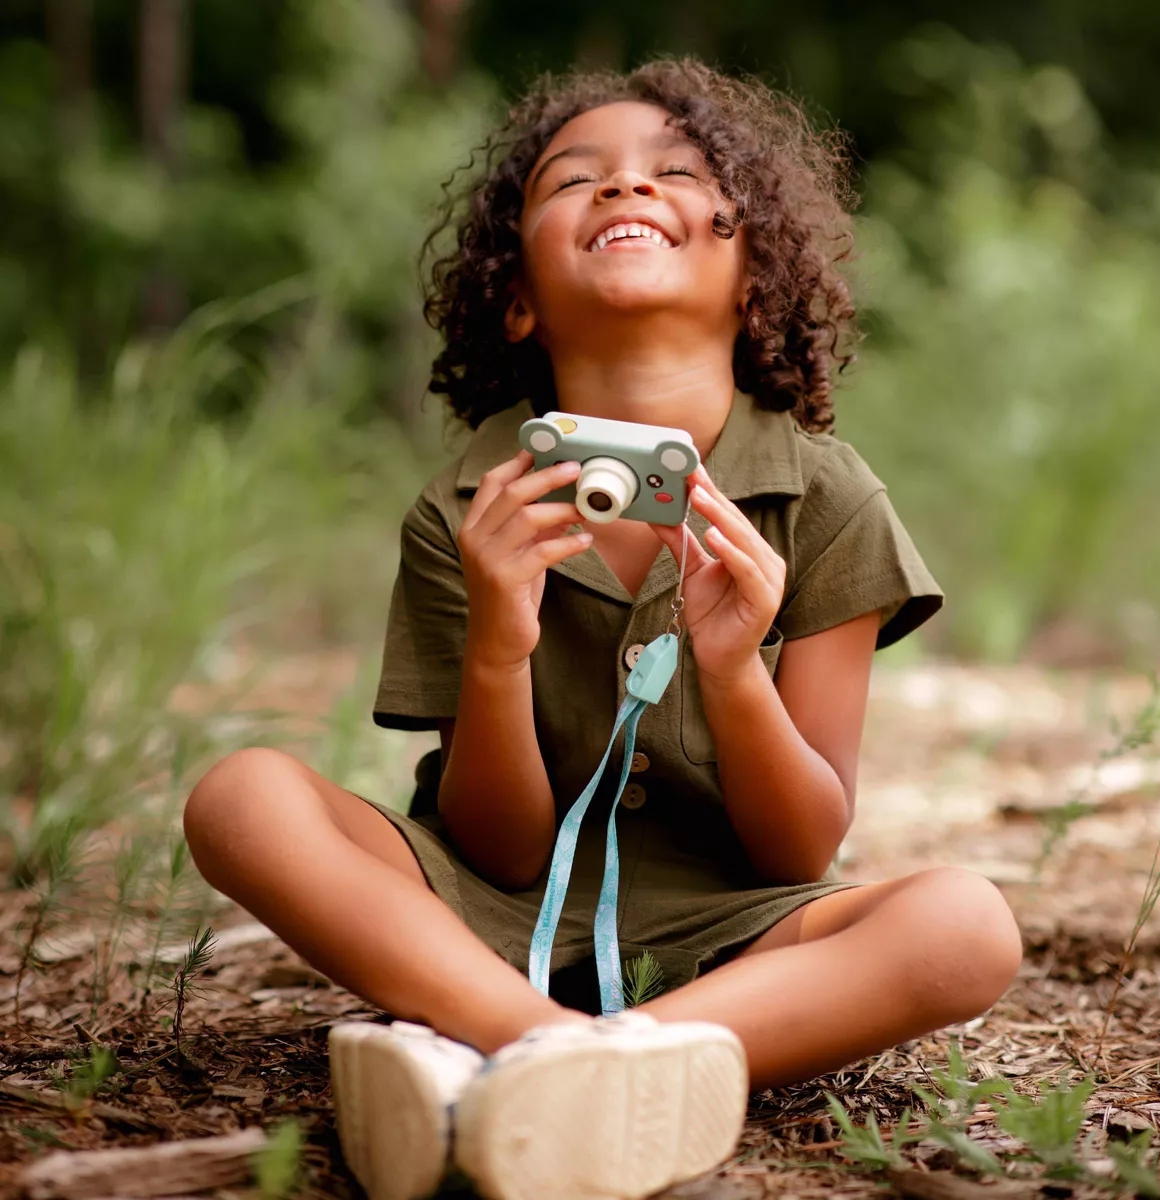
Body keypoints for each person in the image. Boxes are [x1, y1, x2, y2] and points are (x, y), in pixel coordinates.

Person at [183, 58, 1024, 1200]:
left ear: (754, 275)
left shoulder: (829, 501)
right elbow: (501, 849)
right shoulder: (466, 510)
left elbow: (801, 850)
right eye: (574, 180)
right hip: (487, 913)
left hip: (735, 933)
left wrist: (735, 676)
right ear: (518, 294)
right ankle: (558, 1052)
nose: (625, 190)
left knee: (965, 926)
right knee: (241, 797)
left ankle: (515, 1058)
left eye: (676, 174)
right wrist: (496, 647)